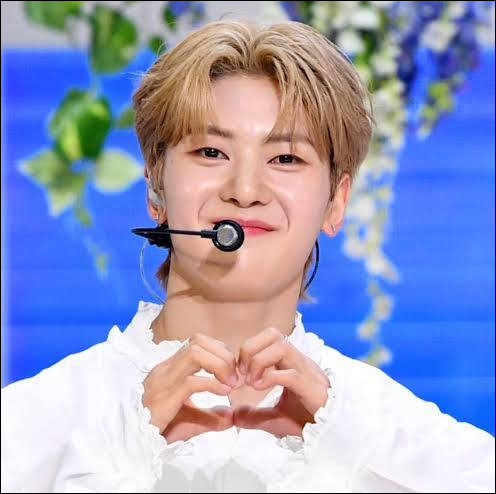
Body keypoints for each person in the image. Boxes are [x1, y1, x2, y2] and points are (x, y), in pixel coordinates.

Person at [1, 19, 494, 493]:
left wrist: (353, 444)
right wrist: (118, 448)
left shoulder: (404, 441)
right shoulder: (30, 425)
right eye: (211, 153)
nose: (245, 190)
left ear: (337, 202)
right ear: (155, 186)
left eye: (286, 158)